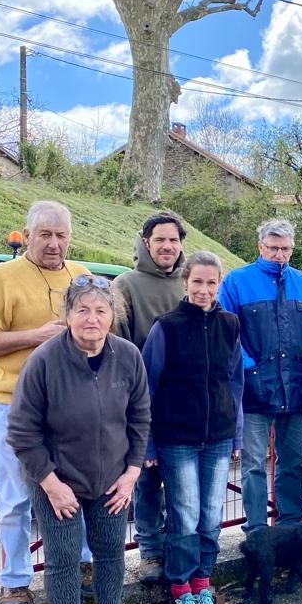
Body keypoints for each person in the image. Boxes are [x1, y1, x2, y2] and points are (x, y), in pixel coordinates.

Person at [7, 276, 149, 604]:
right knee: (64, 558)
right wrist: (50, 483)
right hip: (56, 479)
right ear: (67, 315)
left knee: (110, 552)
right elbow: (22, 431)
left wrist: (132, 473)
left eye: (101, 310)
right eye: (82, 310)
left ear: (112, 316)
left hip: (111, 478)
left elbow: (140, 417)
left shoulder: (128, 356)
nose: (92, 318)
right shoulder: (44, 360)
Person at [0, 200, 94, 604]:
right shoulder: (1, 277)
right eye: (45, 235)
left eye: (61, 235)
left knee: (79, 489)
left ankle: (82, 564)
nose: (54, 244)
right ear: (28, 234)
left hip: (72, 405)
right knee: (16, 497)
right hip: (16, 405)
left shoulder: (82, 277)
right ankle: (15, 582)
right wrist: (36, 335)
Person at [142, 251, 242, 604]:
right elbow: (148, 386)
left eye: (211, 282)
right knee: (184, 514)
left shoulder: (230, 324)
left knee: (211, 516)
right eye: (197, 281)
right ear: (185, 283)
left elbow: (235, 382)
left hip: (217, 435)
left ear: (219, 285)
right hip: (177, 437)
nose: (204, 289)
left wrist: (236, 432)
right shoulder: (165, 327)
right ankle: (180, 591)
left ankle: (203, 585)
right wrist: (149, 443)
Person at [218, 219, 302, 532]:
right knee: (253, 464)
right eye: (274, 248)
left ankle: (290, 523)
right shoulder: (236, 282)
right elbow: (229, 332)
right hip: (254, 390)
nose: (280, 255)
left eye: (286, 249)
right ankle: (255, 528)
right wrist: (250, 368)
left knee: (291, 461)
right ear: (260, 247)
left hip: (294, 387)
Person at [112, 211, 186, 584]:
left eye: (173, 240)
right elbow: (118, 345)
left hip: (185, 403)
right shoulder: (125, 286)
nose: (167, 246)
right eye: (160, 240)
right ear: (146, 243)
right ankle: (150, 551)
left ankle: (178, 547)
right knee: (144, 479)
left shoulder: (190, 286)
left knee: (182, 481)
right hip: (141, 401)